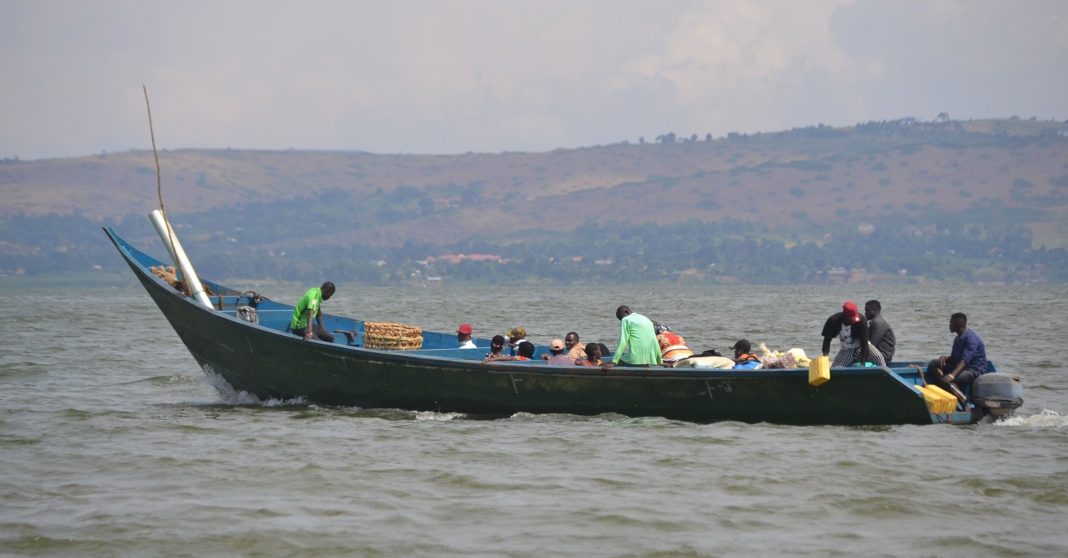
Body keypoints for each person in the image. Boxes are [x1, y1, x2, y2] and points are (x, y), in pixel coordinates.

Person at [927, 312, 989, 405]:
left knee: (950, 380)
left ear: (957, 324)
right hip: (960, 367)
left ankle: (964, 402)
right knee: (933, 364)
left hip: (973, 370)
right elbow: (955, 358)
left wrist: (951, 375)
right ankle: (944, 385)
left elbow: (965, 360)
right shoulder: (958, 338)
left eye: (950, 323)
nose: (949, 325)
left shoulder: (971, 339)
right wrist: (945, 358)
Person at [820, 300, 885, 367]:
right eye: (851, 318)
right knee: (837, 368)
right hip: (847, 349)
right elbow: (827, 340)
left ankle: (885, 375)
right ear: (845, 316)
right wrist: (825, 358)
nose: (854, 320)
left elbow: (864, 342)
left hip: (861, 346)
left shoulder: (861, 320)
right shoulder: (833, 321)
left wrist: (863, 363)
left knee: (878, 357)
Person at [865, 300, 896, 364]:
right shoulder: (874, 322)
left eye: (867, 311)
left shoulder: (878, 322)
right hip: (879, 354)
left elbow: (872, 345)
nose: (865, 313)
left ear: (875, 310)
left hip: (883, 356)